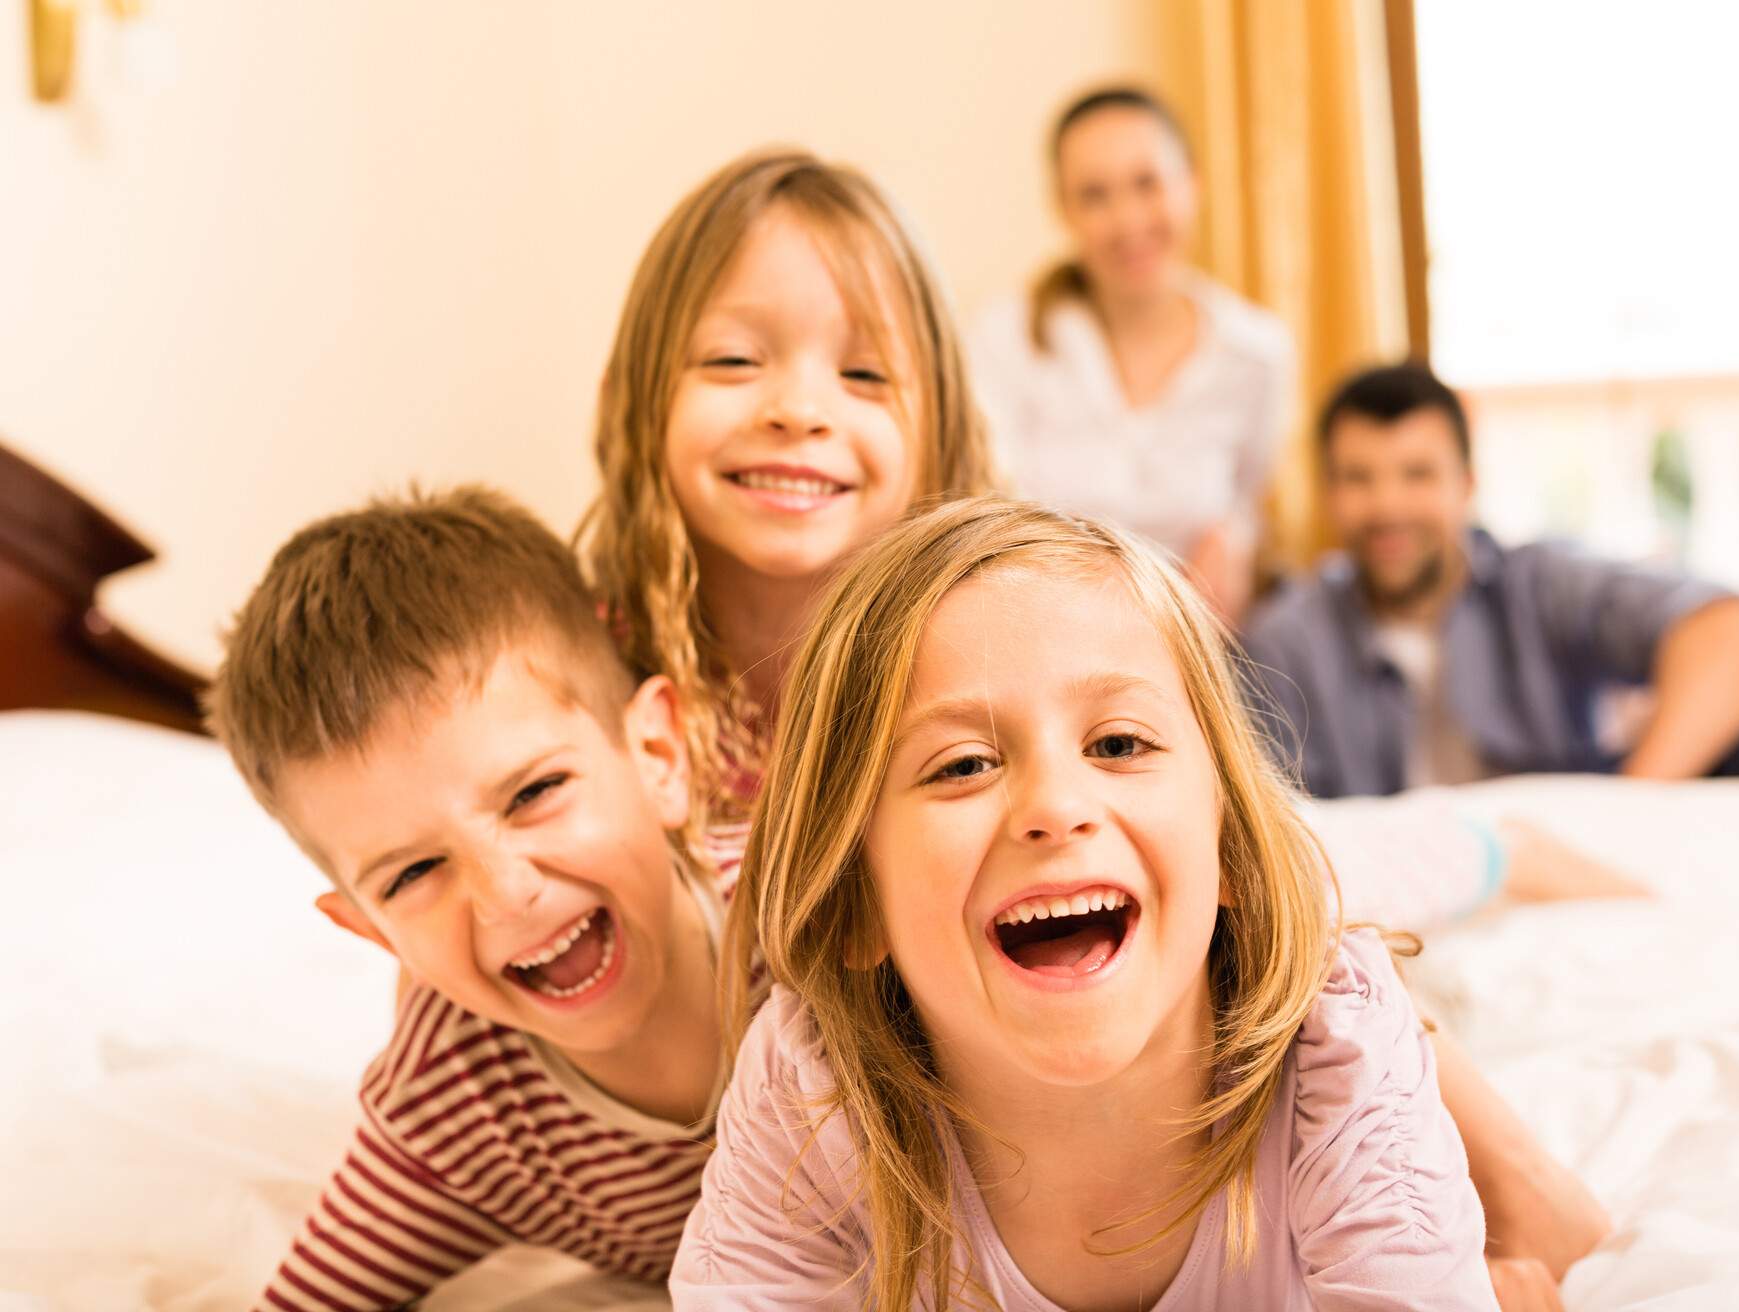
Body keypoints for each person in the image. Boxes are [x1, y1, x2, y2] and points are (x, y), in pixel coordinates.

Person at [585, 148, 1611, 1306]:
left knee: (1303, 904)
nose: (797, 407)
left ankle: (1494, 865)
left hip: (1160, 982)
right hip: (904, 1057)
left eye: (866, 373)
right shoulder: (602, 683)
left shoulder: (1013, 617)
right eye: (733, 359)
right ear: (642, 396)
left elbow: (1278, 934)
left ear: (937, 420)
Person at [672, 497, 1498, 1309]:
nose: (1054, 806)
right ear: (859, 908)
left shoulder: (1334, 1049)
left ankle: (1507, 851)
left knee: (1440, 864)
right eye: (962, 765)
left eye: (1118, 744)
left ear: (1232, 854)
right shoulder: (813, 1087)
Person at [205, 489, 727, 1309]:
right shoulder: (453, 1117)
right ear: (372, 931)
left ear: (657, 754)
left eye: (535, 792)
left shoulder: (826, 916)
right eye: (411, 875)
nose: (504, 894)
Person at [1244, 360, 1739, 801]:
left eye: (1417, 474)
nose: (1388, 505)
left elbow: (1733, 627)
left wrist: (1631, 813)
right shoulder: (1284, 640)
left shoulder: (1540, 583)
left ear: (1466, 484)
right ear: (1328, 496)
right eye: (1358, 479)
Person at [968, 86, 1291, 623]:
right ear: (1064, 209)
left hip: (1193, 639)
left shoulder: (1257, 353)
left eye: (1148, 184)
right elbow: (988, 515)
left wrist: (1232, 548)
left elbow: (1243, 508)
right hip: (1039, 631)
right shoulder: (1005, 338)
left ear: (1192, 184)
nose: (1128, 220)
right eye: (1095, 195)